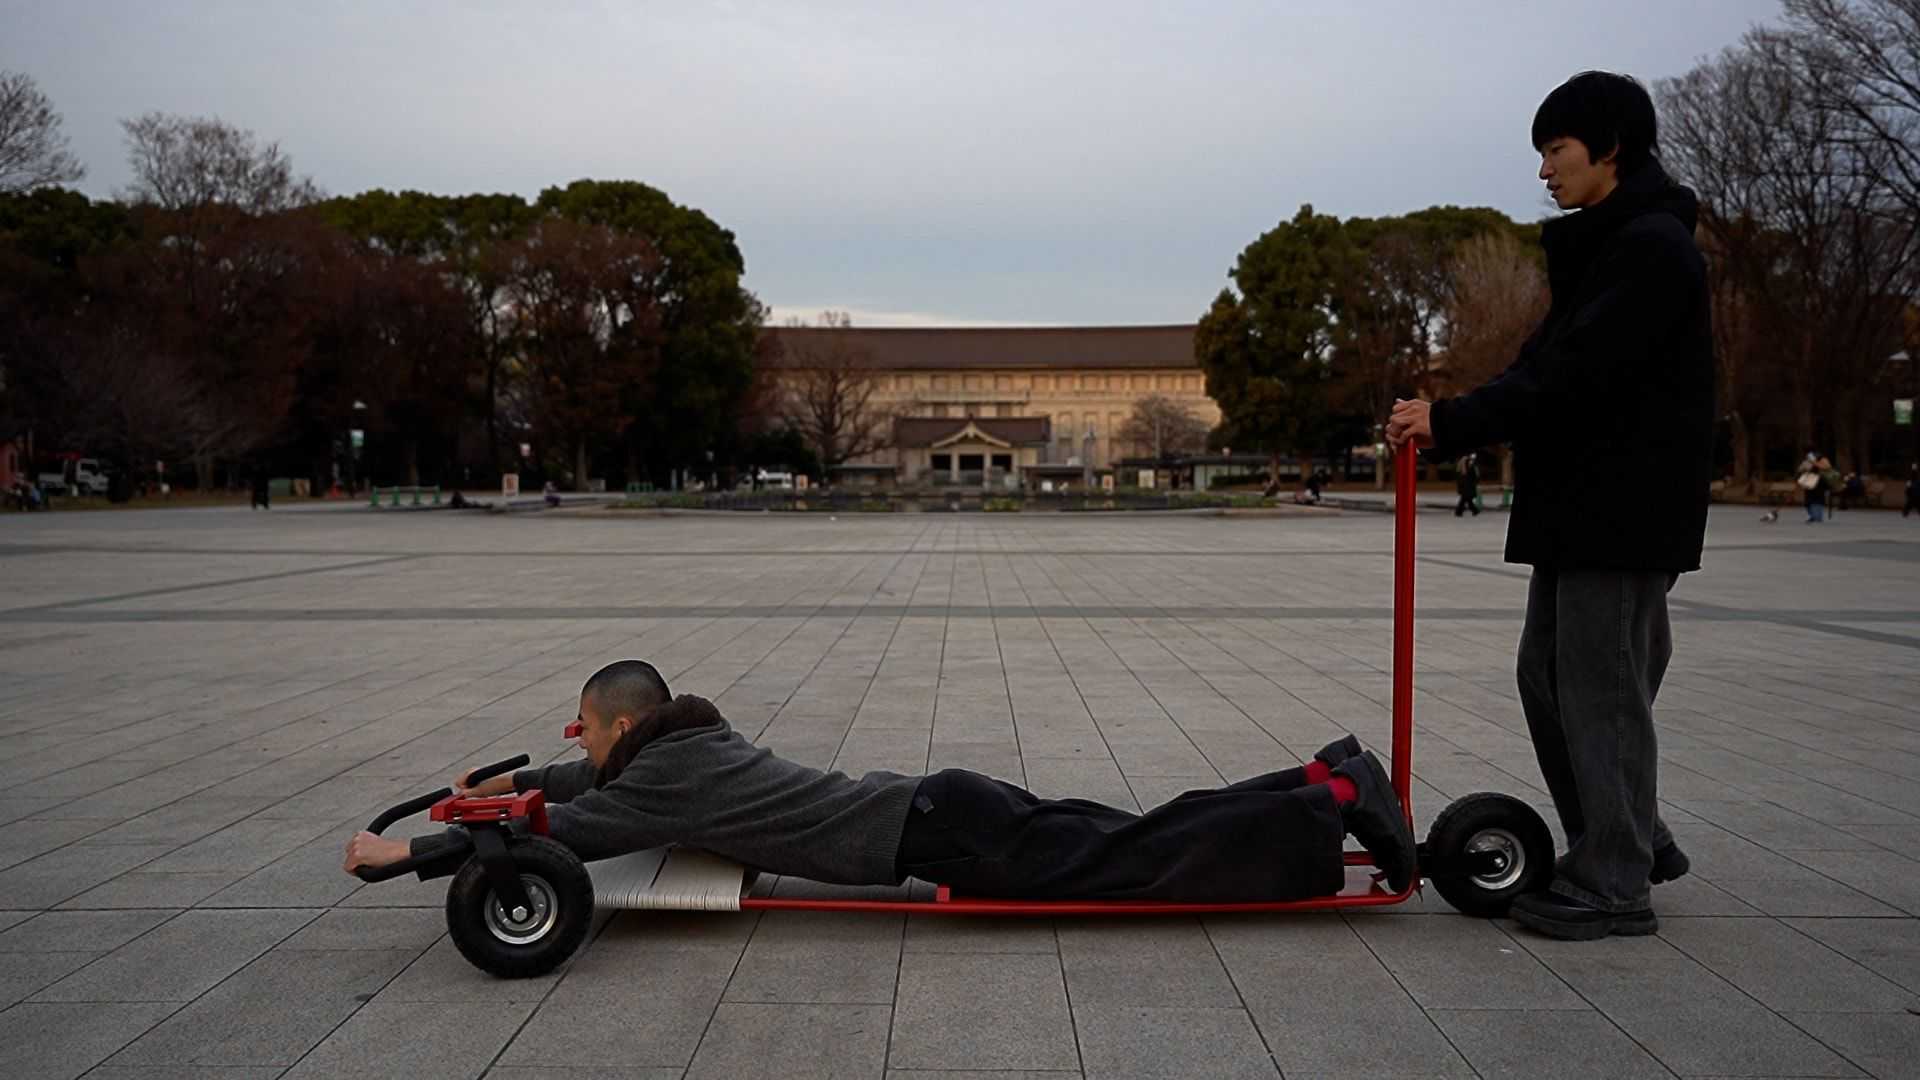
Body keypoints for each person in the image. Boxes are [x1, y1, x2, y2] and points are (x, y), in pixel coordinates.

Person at [1385, 72, 1709, 940]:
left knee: (1599, 687)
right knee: (1550, 676)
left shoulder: (1651, 249)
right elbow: (1539, 366)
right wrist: (1448, 417)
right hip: (1583, 505)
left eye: (1555, 151)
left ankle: (1613, 879)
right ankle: (1632, 839)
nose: (1543, 171)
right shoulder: (1608, 247)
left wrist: (1451, 420)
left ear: (1610, 147)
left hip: (1623, 508)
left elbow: (1571, 379)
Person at [343, 660, 1416, 904]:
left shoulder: (660, 785)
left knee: (1143, 861)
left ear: (625, 723)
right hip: (943, 803)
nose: (583, 747)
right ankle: (1321, 778)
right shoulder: (685, 748)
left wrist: (404, 855)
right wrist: (498, 775)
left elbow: (556, 834)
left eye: (591, 730)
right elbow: (567, 785)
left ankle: (1329, 801)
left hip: (944, 835)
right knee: (1139, 832)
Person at [1798, 453, 1826, 523]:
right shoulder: (1806, 462)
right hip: (1809, 482)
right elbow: (1800, 469)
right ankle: (1812, 516)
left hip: (1819, 482)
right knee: (1808, 501)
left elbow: (1825, 468)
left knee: (1818, 500)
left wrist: (1814, 462)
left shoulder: (1822, 460)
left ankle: (1817, 516)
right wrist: (1806, 465)